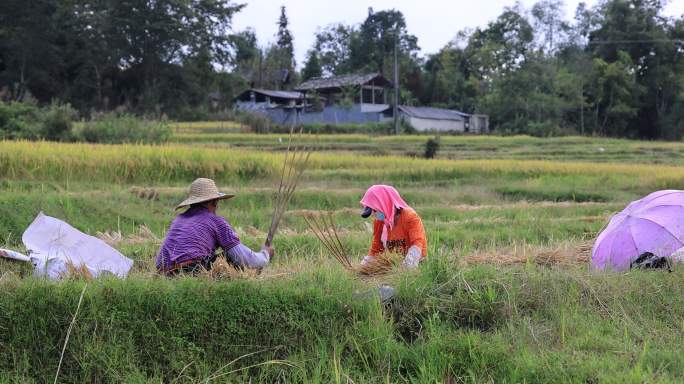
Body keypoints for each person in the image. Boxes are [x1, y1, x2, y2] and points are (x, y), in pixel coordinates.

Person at [156, 178, 273, 275]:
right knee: (232, 258)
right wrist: (265, 254)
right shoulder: (216, 221)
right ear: (214, 202)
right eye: (217, 203)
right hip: (191, 271)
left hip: (164, 273)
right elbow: (245, 258)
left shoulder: (179, 219)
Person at [359, 184, 427, 268]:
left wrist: (407, 267)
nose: (373, 214)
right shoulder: (380, 221)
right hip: (394, 266)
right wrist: (364, 265)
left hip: (416, 265)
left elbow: (417, 244)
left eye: (375, 210)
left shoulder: (410, 217)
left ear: (384, 203)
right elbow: (376, 248)